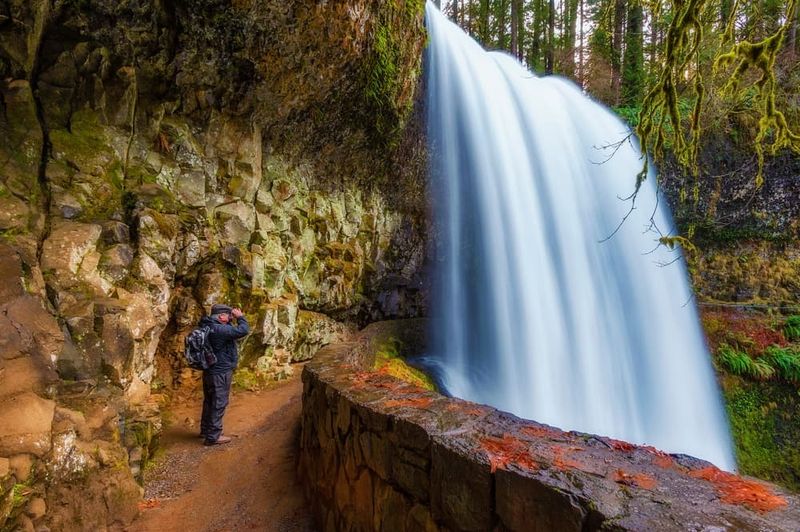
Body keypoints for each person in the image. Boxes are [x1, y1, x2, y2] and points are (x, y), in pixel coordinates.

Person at [198, 303, 249, 445]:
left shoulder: (207, 325)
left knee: (209, 401)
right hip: (220, 372)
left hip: (209, 370)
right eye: (228, 315)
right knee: (219, 402)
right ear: (221, 316)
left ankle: (206, 430)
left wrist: (231, 318)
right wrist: (240, 317)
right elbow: (243, 330)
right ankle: (213, 436)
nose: (231, 317)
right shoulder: (220, 329)